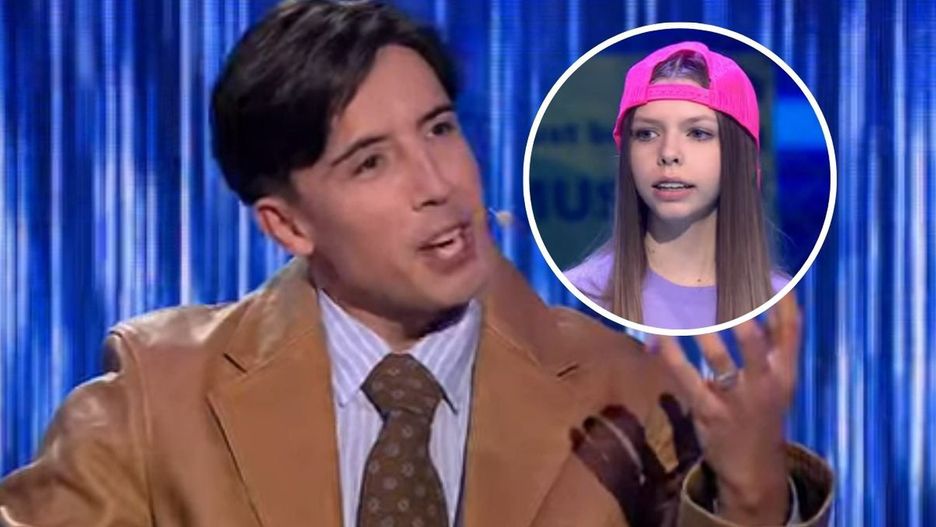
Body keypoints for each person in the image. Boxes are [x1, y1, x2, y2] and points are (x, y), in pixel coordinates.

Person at [0, 2, 832, 526]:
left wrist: (752, 491)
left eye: (439, 128)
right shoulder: (157, 394)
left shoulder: (629, 392)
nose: (439, 183)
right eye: (371, 162)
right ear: (287, 223)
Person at [564, 42, 790, 330]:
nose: (669, 153)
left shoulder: (784, 308)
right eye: (647, 134)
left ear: (739, 155)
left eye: (698, 133)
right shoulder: (580, 297)